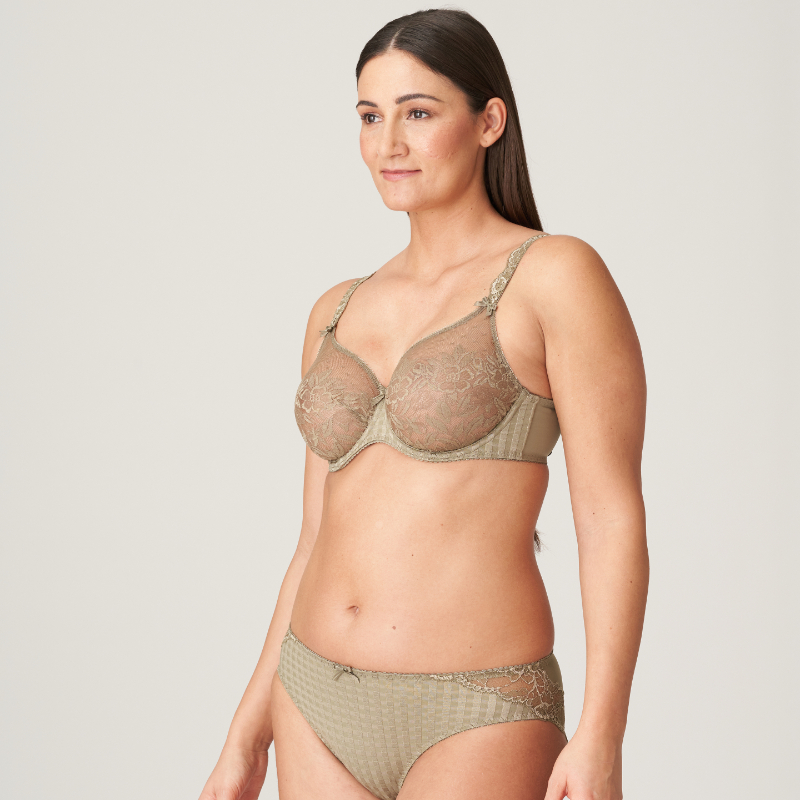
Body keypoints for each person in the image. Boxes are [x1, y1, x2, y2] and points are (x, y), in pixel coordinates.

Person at [198, 9, 648, 800]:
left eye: (417, 113)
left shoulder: (553, 277)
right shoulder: (335, 309)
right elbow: (313, 538)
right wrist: (247, 728)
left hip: (475, 708)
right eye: (370, 117)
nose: (388, 144)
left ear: (489, 122)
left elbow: (609, 518)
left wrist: (602, 735)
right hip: (311, 695)